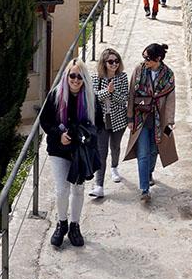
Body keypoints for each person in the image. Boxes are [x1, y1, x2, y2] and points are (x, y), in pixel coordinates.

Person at [39, 59, 101, 247]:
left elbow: (98, 125)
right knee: (61, 190)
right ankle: (61, 223)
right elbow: (45, 121)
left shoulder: (91, 98)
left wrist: (84, 134)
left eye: (79, 76)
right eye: (72, 75)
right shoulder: (56, 95)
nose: (75, 80)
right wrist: (59, 135)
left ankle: (75, 226)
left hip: (80, 151)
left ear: (84, 79)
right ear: (66, 76)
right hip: (59, 149)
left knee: (78, 188)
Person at [124, 43, 178, 201]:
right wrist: (130, 118)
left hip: (158, 120)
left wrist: (169, 121)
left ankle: (149, 174)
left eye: (148, 58)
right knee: (143, 153)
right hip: (141, 118)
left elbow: (170, 100)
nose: (145, 61)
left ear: (158, 59)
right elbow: (132, 94)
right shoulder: (139, 70)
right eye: (144, 57)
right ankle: (144, 190)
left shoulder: (168, 75)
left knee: (154, 150)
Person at [89, 48, 129, 198]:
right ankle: (99, 185)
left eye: (116, 61)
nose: (114, 64)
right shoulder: (96, 78)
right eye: (111, 61)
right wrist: (107, 91)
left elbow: (124, 99)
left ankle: (114, 167)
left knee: (115, 147)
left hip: (118, 120)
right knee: (101, 152)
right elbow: (94, 97)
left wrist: (112, 93)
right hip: (101, 121)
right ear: (104, 63)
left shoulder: (122, 77)